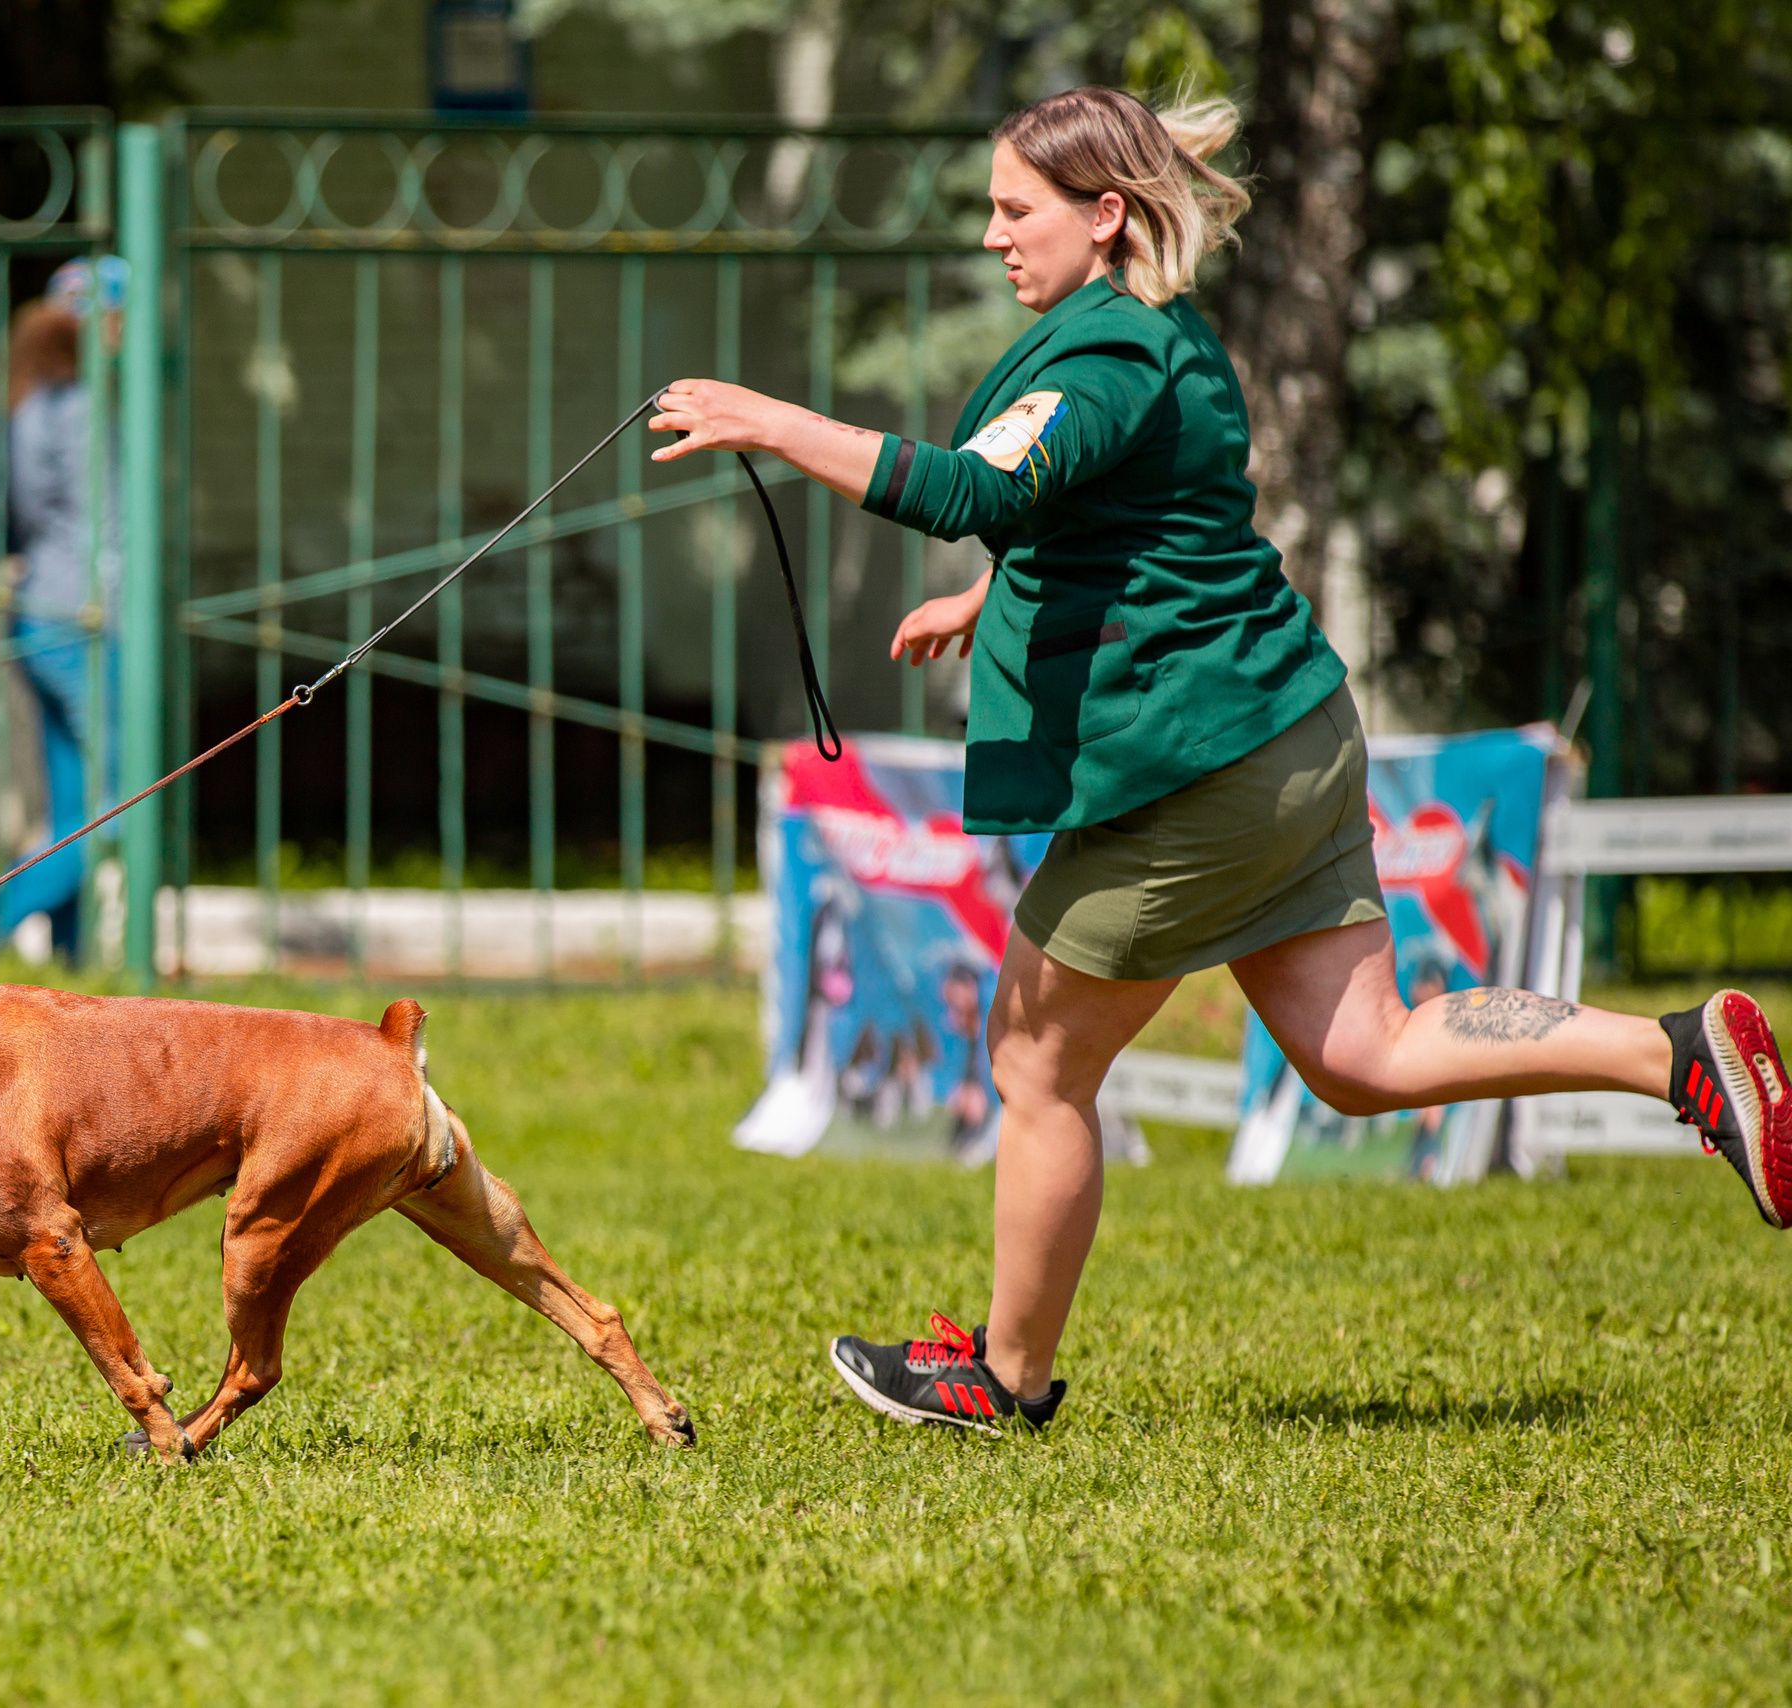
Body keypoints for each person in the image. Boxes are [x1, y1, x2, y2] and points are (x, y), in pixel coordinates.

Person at [648, 87, 1791, 1436]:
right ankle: (1680, 1057)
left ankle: (1001, 1378)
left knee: (1036, 1064)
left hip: (1194, 772)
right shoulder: (1158, 342)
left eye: (1016, 210)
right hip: (1287, 736)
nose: (994, 238)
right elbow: (1132, 513)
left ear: (1105, 214)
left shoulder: (1111, 357)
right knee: (1366, 1052)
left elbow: (970, 490)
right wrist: (995, 595)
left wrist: (767, 421)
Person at [0, 257, 127, 959]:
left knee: (73, 806)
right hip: (88, 617)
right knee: (126, 799)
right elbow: (107, 526)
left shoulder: (18, 404)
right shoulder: (82, 408)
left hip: (34, 611)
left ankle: (74, 957)